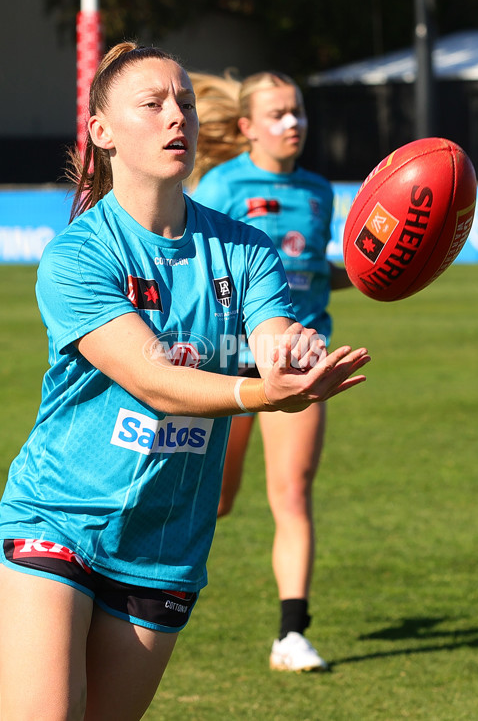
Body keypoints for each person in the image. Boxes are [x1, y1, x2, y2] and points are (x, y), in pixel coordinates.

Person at [0, 42, 370, 720]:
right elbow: (154, 379)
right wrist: (259, 393)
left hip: (164, 548)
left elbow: (272, 331)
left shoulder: (246, 248)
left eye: (186, 103)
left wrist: (293, 355)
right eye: (153, 104)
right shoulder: (79, 254)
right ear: (102, 132)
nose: (177, 118)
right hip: (57, 520)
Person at [190, 69, 352, 672]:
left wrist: (375, 270)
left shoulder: (319, 190)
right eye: (280, 114)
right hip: (228, 365)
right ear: (246, 127)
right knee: (217, 500)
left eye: (299, 112)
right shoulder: (219, 185)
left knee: (292, 493)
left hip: (302, 367)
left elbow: (312, 269)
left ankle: (291, 633)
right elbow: (197, 264)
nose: (293, 123)